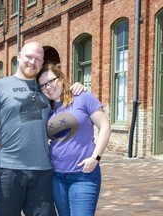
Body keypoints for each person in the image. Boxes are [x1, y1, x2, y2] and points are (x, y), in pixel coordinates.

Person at [0, 42, 86, 216]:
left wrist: (78, 87)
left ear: (42, 62)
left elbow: (65, 104)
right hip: (8, 169)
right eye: (29, 57)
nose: (32, 62)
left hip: (43, 170)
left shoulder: (46, 88)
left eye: (38, 59)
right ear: (19, 56)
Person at [36, 63, 111, 216]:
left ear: (61, 78)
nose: (48, 87)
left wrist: (95, 158)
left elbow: (105, 126)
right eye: (43, 85)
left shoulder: (82, 97)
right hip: (57, 176)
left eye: (51, 81)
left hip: (83, 175)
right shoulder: (46, 109)